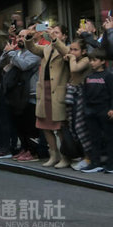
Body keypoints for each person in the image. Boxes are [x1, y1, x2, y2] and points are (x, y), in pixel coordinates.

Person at [26, 25, 71, 168]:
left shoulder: (67, 48)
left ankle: (65, 156)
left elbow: (66, 53)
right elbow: (32, 48)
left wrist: (54, 39)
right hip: (44, 89)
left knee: (59, 126)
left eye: (57, 32)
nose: (53, 34)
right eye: (52, 32)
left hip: (57, 90)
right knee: (44, 124)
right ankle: (54, 154)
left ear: (64, 36)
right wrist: (30, 35)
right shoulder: (47, 48)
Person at [0, 29, 41, 162]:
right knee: (20, 125)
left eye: (24, 36)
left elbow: (24, 65)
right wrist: (6, 52)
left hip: (30, 94)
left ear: (31, 38)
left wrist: (12, 54)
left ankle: (33, 151)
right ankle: (24, 148)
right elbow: (2, 64)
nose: (20, 39)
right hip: (17, 95)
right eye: (19, 36)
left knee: (29, 125)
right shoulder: (17, 52)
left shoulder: (35, 53)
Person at [79, 49, 113, 173]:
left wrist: (111, 108)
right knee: (94, 138)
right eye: (90, 60)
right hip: (90, 111)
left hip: (104, 110)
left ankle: (111, 164)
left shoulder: (108, 76)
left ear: (103, 61)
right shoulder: (88, 76)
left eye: (95, 60)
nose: (92, 63)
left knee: (109, 138)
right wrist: (85, 109)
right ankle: (95, 163)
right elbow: (85, 94)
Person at [65, 39, 93, 170]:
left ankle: (89, 158)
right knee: (74, 126)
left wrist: (70, 57)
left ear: (84, 51)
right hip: (74, 95)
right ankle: (83, 156)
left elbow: (74, 69)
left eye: (75, 50)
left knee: (82, 127)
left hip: (84, 95)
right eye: (71, 49)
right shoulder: (74, 58)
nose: (72, 52)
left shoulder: (86, 60)